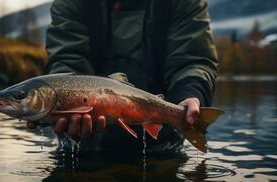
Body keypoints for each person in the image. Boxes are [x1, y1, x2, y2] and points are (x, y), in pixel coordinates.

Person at [28, 0, 218, 152]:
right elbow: (66, 57)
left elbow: (192, 57)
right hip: (83, 141)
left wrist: (190, 93)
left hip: (162, 144)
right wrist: (54, 107)